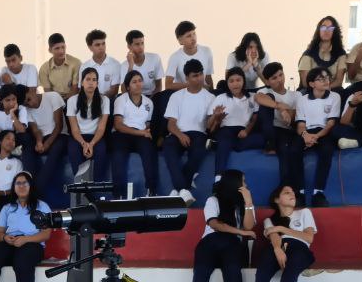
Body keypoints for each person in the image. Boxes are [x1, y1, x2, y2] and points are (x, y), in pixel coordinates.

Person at [192, 170, 256, 282]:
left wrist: (248, 201)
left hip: (232, 243)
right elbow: (214, 224)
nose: (246, 185)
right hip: (211, 240)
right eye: (243, 181)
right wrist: (240, 232)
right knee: (201, 272)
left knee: (233, 273)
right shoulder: (212, 200)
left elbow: (249, 226)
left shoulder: (243, 203)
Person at [252, 185, 316, 282]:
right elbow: (273, 236)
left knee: (289, 277)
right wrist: (277, 249)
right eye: (287, 192)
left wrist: (282, 229)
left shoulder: (304, 212)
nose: (292, 194)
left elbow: (309, 238)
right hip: (277, 248)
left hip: (300, 249)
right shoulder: (269, 220)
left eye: (293, 192)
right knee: (261, 275)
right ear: (276, 199)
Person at [283, 67, 340, 207]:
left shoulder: (335, 97)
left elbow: (331, 123)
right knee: (294, 150)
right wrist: (305, 136)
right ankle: (300, 192)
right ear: (311, 84)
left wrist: (315, 137)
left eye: (327, 78)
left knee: (327, 150)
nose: (325, 81)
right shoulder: (302, 100)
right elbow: (300, 124)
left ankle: (318, 192)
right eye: (321, 79)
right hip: (306, 131)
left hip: (323, 132)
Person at [162, 59, 214, 203]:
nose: (199, 78)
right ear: (187, 78)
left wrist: (216, 117)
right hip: (178, 132)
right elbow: (171, 124)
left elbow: (210, 126)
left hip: (199, 134)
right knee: (168, 149)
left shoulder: (210, 97)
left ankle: (177, 190)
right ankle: (183, 190)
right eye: (194, 76)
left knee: (198, 151)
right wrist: (180, 135)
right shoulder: (176, 96)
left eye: (200, 74)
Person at [111, 69, 159, 197]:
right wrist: (141, 133)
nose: (138, 84)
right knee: (118, 156)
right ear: (127, 87)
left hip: (141, 134)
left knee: (149, 151)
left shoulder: (149, 103)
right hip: (122, 134)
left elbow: (148, 123)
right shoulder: (121, 100)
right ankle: (118, 194)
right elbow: (118, 125)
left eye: (140, 81)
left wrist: (144, 132)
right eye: (134, 82)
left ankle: (151, 190)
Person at [209, 68, 264, 167]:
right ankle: (218, 177)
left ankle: (217, 144)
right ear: (227, 83)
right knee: (225, 141)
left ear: (243, 81)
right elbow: (209, 126)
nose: (235, 84)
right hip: (226, 129)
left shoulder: (252, 96)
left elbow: (254, 117)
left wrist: (247, 131)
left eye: (238, 80)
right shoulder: (221, 98)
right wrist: (216, 116)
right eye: (231, 81)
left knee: (262, 139)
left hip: (243, 130)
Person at [67, 67, 111, 183]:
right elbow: (74, 129)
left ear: (97, 83)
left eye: (94, 80)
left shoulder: (104, 100)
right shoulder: (72, 100)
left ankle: (95, 187)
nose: (91, 82)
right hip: (78, 136)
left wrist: (91, 144)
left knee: (101, 151)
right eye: (88, 79)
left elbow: (101, 127)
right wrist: (83, 144)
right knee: (73, 150)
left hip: (96, 136)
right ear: (82, 82)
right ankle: (80, 186)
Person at [24, 84, 70, 196]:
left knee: (55, 150)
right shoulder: (27, 109)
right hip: (43, 138)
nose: (30, 104)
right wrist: (39, 142)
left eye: (29, 99)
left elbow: (59, 126)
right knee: (27, 150)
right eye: (26, 103)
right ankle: (27, 184)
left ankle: (34, 193)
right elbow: (36, 130)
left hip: (60, 135)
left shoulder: (53, 96)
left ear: (32, 90)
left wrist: (47, 144)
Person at [0, 84, 33, 161]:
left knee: (26, 137)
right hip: (0, 136)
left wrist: (12, 114)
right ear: (1, 100)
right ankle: (9, 152)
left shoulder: (21, 108)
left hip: (14, 138)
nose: (11, 103)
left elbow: (22, 130)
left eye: (14, 99)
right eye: (8, 100)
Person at [298, 16, 346, 92]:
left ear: (335, 31)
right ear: (318, 30)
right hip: (311, 90)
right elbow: (305, 82)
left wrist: (325, 89)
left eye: (330, 28)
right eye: (323, 28)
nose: (326, 31)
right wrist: (319, 90)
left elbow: (339, 81)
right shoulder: (309, 53)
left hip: (332, 90)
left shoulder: (341, 54)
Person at [165, 20, 214, 91]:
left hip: (204, 93)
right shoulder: (175, 57)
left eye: (194, 33)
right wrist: (192, 84)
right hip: (184, 95)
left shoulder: (206, 51)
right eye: (188, 36)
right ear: (180, 41)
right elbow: (168, 85)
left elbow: (208, 78)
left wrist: (211, 93)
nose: (193, 38)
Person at [122, 29, 165, 99]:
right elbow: (124, 91)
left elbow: (159, 86)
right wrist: (131, 66)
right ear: (129, 46)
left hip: (153, 95)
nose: (141, 47)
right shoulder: (124, 65)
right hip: (133, 98)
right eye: (137, 44)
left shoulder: (155, 58)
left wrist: (149, 100)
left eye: (142, 43)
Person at [38, 32, 81, 99]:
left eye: (63, 47)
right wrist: (58, 104)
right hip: (54, 100)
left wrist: (64, 103)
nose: (61, 51)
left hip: (73, 99)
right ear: (50, 50)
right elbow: (48, 93)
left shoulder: (76, 63)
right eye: (57, 48)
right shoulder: (44, 68)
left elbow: (75, 89)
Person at [83, 29, 122, 99]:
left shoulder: (115, 64)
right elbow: (83, 89)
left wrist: (100, 101)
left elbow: (114, 90)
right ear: (90, 47)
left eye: (103, 43)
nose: (101, 47)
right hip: (89, 102)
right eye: (97, 45)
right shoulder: (84, 67)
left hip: (109, 101)